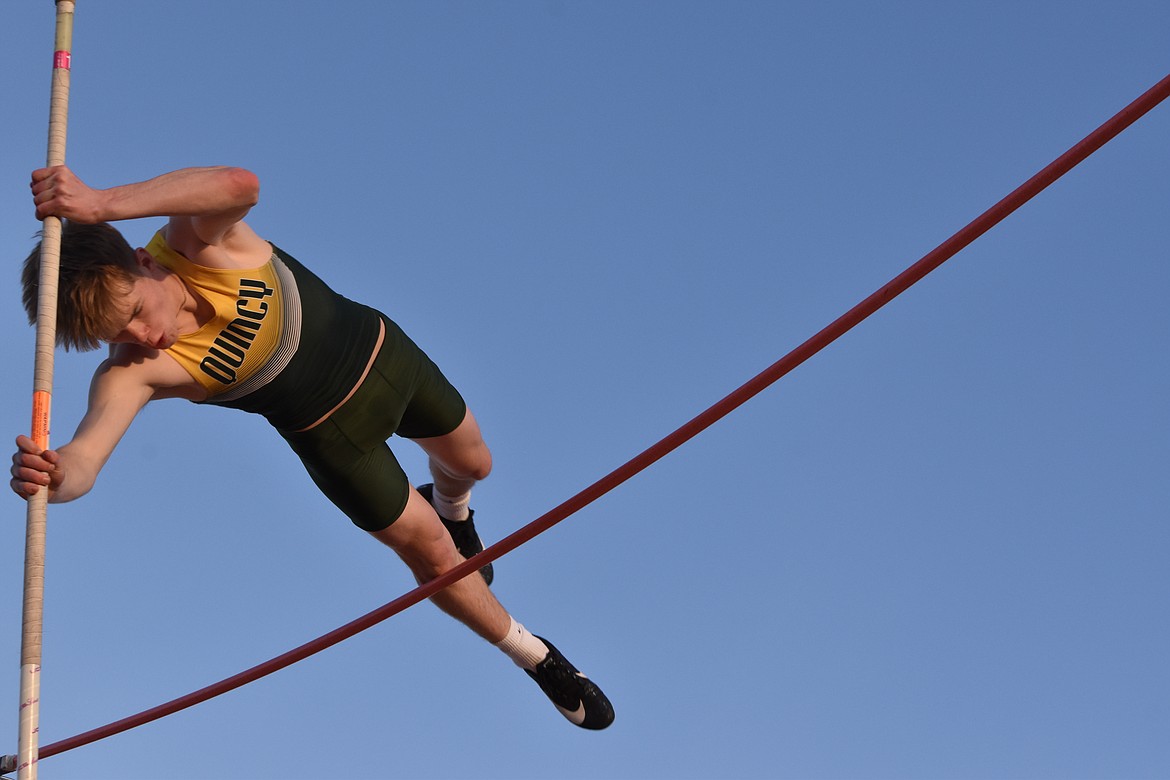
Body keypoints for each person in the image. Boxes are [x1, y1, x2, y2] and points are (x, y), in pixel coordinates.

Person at [10, 164, 614, 730]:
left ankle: (455, 509)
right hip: (332, 439)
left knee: (474, 462)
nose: (142, 337)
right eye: (115, 334)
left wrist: (102, 204)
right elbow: (86, 458)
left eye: (136, 312)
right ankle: (536, 657)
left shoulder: (198, 244)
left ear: (142, 261)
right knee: (432, 562)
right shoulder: (131, 372)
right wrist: (57, 475)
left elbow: (240, 185)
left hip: (383, 358)